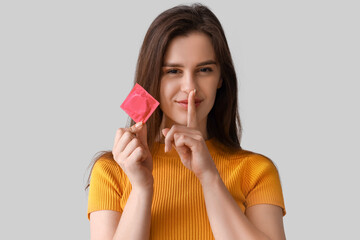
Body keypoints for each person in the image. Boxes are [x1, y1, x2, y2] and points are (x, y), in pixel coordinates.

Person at [85, 3, 286, 240]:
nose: (190, 86)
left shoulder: (256, 172)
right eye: (173, 71)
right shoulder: (112, 171)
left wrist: (209, 177)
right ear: (152, 78)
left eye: (204, 70)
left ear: (221, 78)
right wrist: (141, 188)